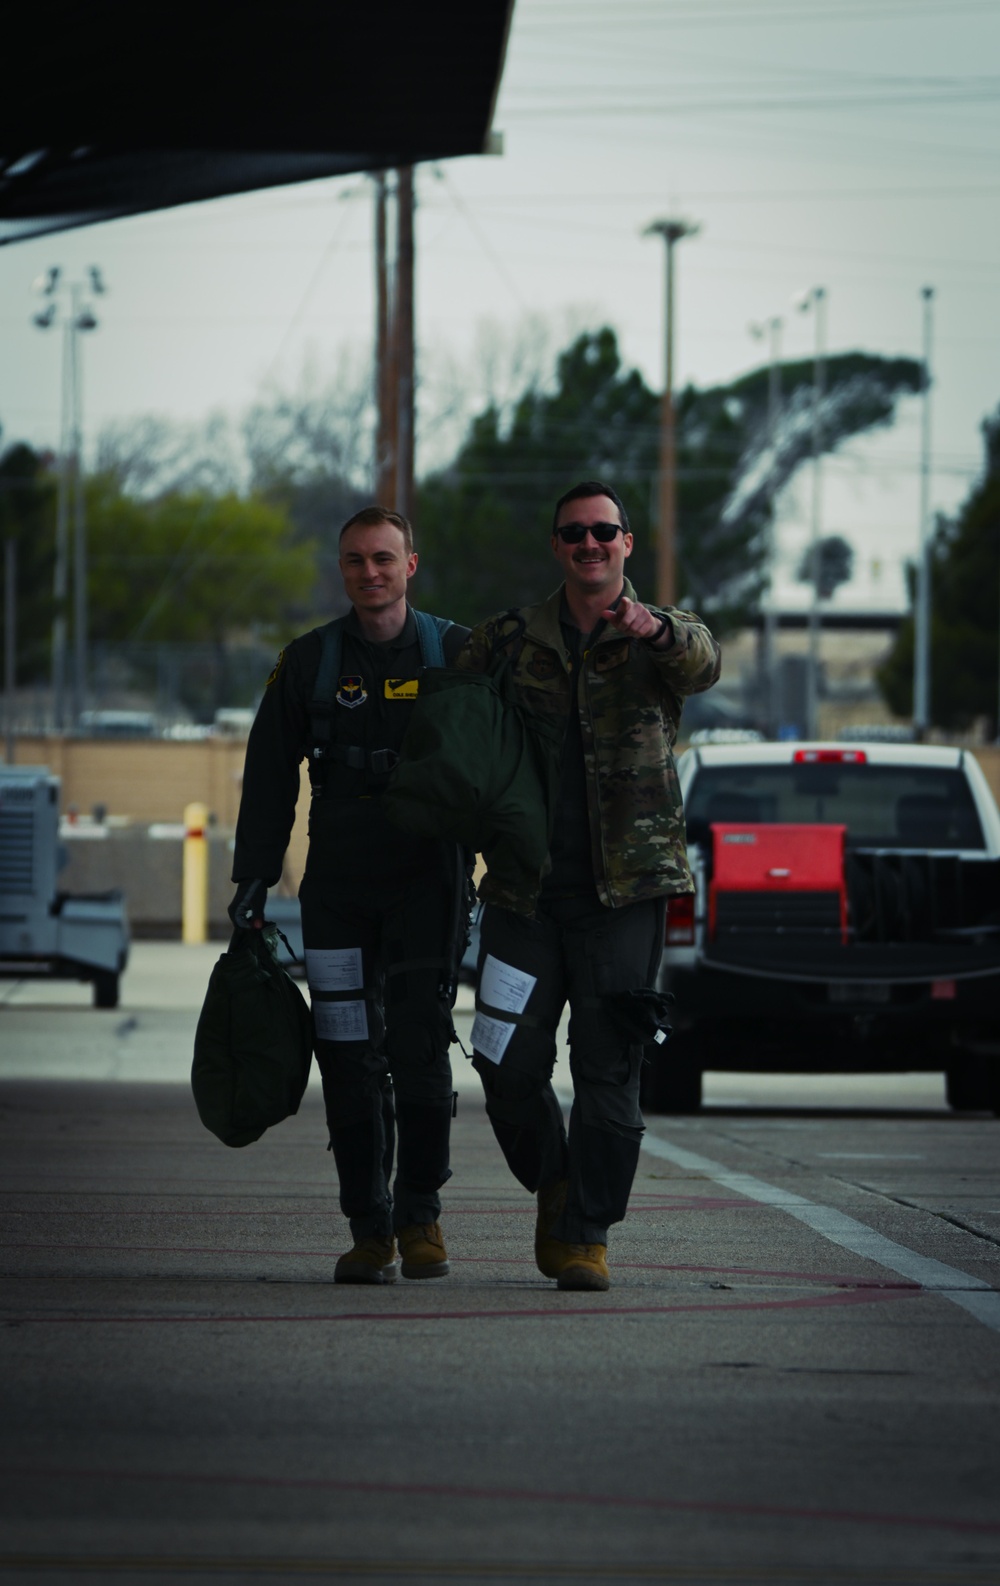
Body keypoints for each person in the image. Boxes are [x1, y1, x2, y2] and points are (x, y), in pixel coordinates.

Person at [454, 480, 721, 1292]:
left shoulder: (662, 638)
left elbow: (703, 662)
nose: (590, 544)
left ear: (627, 544)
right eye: (574, 533)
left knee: (608, 1069)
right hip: (523, 896)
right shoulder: (505, 642)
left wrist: (655, 627)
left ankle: (587, 1232)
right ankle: (557, 1182)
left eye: (605, 531)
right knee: (504, 1060)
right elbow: (447, 717)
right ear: (557, 546)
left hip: (624, 899)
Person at [229, 506, 470, 1285]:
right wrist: (254, 879)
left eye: (384, 558)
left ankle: (421, 1215)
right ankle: (368, 1228)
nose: (371, 572)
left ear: (412, 563)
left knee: (420, 1051)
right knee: (345, 1056)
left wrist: (512, 871)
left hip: (427, 886)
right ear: (343, 571)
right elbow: (269, 778)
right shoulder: (307, 662)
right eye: (356, 561)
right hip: (335, 892)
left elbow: (505, 771)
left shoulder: (458, 653)